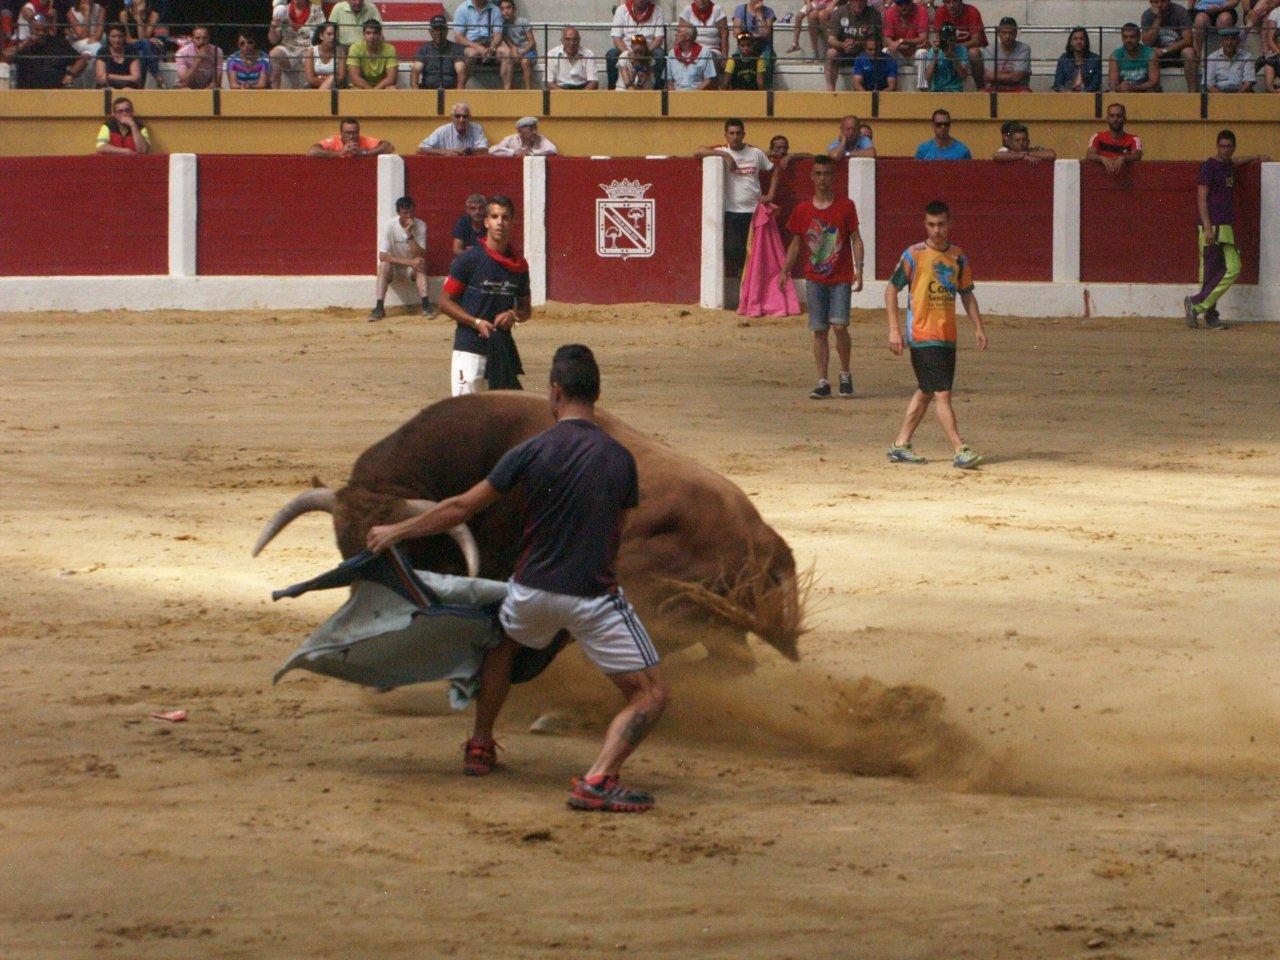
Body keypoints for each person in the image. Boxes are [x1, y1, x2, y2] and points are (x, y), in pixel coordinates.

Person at [365, 345, 667, 814]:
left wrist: (395, 531)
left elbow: (461, 508)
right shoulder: (620, 459)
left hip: (531, 592)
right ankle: (598, 778)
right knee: (650, 694)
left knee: (502, 646)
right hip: (591, 598)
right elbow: (618, 531)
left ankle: (481, 744)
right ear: (596, 394)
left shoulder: (531, 451)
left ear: (555, 392)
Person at [885, 200, 987, 470]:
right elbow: (891, 290)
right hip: (922, 334)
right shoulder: (914, 254)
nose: (936, 230)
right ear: (925, 224)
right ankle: (959, 448)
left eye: (941, 224)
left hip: (946, 335)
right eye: (931, 225)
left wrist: (978, 325)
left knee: (927, 390)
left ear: (949, 223)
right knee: (942, 393)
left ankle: (900, 444)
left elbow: (967, 294)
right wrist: (895, 329)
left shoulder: (958, 256)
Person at [781, 155, 864, 400]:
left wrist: (859, 267)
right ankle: (823, 380)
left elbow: (855, 239)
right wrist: (785, 270)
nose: (822, 179)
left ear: (833, 177)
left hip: (840, 277)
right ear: (812, 177)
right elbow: (796, 244)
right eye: (818, 174)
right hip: (815, 278)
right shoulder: (803, 209)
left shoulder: (846, 206)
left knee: (839, 326)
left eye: (827, 174)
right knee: (819, 330)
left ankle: (845, 373)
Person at [436, 194, 531, 395]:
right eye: (495, 217)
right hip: (469, 348)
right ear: (486, 222)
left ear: (512, 222)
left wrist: (512, 315)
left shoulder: (520, 266)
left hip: (501, 351)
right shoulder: (469, 260)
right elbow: (444, 302)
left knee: (499, 420)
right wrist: (475, 322)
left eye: (505, 218)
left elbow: (525, 308)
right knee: (465, 418)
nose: (500, 223)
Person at [1184, 130, 1269, 329]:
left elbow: (1237, 161)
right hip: (1212, 226)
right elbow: (1201, 197)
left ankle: (1200, 307)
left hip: (1224, 226)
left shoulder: (1228, 165)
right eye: (1222, 146)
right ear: (1216, 146)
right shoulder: (1209, 167)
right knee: (1220, 271)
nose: (1225, 150)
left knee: (1220, 271)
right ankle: (1205, 310)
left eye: (1229, 146)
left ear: (1233, 147)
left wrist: (1255, 157)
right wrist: (1206, 227)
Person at [694, 119, 776, 304]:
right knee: (733, 249)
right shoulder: (724, 151)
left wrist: (770, 194)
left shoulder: (755, 153)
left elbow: (774, 169)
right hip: (732, 211)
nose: (735, 137)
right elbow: (697, 151)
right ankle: (744, 283)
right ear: (725, 135)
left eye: (738, 133)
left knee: (756, 252)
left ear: (744, 134)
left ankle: (753, 292)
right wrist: (725, 156)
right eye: (731, 133)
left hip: (755, 212)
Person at [370, 196, 433, 322]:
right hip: (395, 267)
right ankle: (379, 307)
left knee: (421, 262)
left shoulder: (420, 225)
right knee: (383, 265)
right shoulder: (390, 226)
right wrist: (409, 262)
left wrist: (409, 235)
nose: (409, 216)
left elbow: (421, 254)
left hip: (412, 268)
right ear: (398, 213)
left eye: (411, 212)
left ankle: (426, 305)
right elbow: (382, 256)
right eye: (405, 213)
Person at [607, 0, 667, 91]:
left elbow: (659, 38)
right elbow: (616, 38)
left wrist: (643, 53)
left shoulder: (657, 11)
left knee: (660, 55)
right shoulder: (621, 10)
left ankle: (658, 92)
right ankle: (611, 90)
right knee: (611, 54)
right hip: (626, 49)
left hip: (648, 50)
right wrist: (628, 54)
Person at [1140, 0, 1198, 92]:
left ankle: (1193, 93)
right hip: (1156, 56)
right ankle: (1153, 92)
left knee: (1189, 52)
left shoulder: (1180, 11)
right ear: (1150, 2)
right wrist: (1157, 19)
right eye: (1155, 2)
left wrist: (1165, 50)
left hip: (1178, 53)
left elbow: (1188, 40)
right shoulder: (1147, 15)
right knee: (1146, 54)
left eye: (1163, 1)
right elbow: (1147, 42)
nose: (1159, 4)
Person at [824, 0, 881, 91]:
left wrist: (857, 43)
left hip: (864, 52)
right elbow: (831, 39)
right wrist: (843, 45)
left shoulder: (874, 14)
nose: (858, 3)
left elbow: (876, 41)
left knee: (875, 53)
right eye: (855, 1)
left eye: (861, 1)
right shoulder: (839, 12)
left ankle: (868, 91)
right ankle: (831, 92)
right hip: (844, 52)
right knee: (831, 53)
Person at [14, 13, 84, 87]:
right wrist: (24, 44)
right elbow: (5, 57)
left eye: (44, 30)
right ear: (30, 29)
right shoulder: (24, 47)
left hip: (55, 91)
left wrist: (71, 74)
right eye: (37, 30)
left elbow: (81, 60)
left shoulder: (59, 44)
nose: (41, 33)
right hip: (27, 92)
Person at [453, 0, 510, 88]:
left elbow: (498, 35)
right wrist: (478, 47)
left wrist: (492, 48)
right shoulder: (462, 9)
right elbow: (458, 37)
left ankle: (508, 91)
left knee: (507, 52)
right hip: (470, 45)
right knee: (473, 54)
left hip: (489, 44)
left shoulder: (495, 10)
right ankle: (461, 87)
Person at [268, 0, 324, 89]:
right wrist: (273, 26)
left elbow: (322, 33)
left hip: (309, 48)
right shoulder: (283, 10)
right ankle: (276, 94)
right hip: (289, 47)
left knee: (312, 55)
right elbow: (273, 40)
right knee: (274, 54)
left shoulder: (316, 9)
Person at [934, 0, 987, 87]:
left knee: (974, 53)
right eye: (947, 2)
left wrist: (956, 48)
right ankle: (941, 87)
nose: (952, 5)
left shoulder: (972, 11)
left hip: (971, 48)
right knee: (937, 52)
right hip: (951, 47)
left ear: (961, 1)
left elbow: (976, 41)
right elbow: (940, 38)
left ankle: (980, 87)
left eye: (955, 1)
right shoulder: (940, 12)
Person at [1086, 102, 1143, 174]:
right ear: (1107, 119)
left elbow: (1138, 155)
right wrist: (1102, 158)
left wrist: (1123, 158)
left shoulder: (1134, 139)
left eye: (1119, 116)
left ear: (1125, 119)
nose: (1115, 119)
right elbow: (1089, 155)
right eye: (1112, 116)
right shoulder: (1097, 137)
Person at [883, 0, 928, 89]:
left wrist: (902, 41)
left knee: (923, 52)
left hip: (914, 53)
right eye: (900, 3)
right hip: (900, 53)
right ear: (896, 3)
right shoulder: (890, 12)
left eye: (906, 3)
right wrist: (899, 45)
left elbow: (923, 38)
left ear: (911, 2)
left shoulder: (921, 10)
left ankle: (922, 87)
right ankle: (887, 87)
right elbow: (887, 39)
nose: (903, 6)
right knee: (885, 51)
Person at [413, 14, 466, 89]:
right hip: (427, 90)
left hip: (450, 90)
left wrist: (459, 93)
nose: (439, 33)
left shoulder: (456, 48)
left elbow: (461, 70)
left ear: (447, 31)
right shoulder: (424, 48)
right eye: (436, 29)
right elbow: (416, 69)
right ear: (430, 31)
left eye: (442, 29)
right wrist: (415, 89)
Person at [118, 0, 163, 88]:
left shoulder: (154, 15)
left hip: (148, 49)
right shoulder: (124, 14)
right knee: (144, 45)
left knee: (142, 53)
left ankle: (139, 86)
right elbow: (127, 40)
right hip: (131, 46)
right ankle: (157, 75)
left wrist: (139, 18)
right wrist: (146, 41)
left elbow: (143, 38)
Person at [417, 102, 489, 155]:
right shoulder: (442, 131)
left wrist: (467, 150)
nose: (461, 120)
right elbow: (421, 149)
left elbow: (484, 150)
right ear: (451, 117)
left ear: (470, 118)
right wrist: (445, 152)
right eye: (457, 116)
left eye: (465, 116)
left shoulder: (476, 128)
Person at [307, 117, 394, 158]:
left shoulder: (364, 140)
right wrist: (340, 153)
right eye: (347, 133)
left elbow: (389, 147)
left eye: (354, 133)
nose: (351, 136)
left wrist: (364, 153)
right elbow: (312, 152)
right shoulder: (334, 140)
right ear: (341, 133)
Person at [1109, 21, 1159, 92]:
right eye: (1125, 37)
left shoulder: (1150, 54)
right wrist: (1119, 88)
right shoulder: (1115, 55)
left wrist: (1135, 87)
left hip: (1145, 93)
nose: (1128, 40)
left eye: (1132, 37)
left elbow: (1154, 82)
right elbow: (1112, 84)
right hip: (1124, 93)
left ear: (1139, 38)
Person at [346, 20, 397, 89]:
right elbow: (354, 78)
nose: (372, 36)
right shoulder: (355, 48)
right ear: (363, 34)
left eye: (375, 33)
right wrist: (370, 91)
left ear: (380, 35)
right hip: (361, 86)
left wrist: (374, 91)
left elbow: (391, 78)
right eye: (368, 33)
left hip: (382, 87)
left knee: (392, 89)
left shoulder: (390, 49)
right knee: (355, 91)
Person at [985, 16, 1030, 91]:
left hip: (1018, 87)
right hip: (995, 87)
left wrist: (996, 75)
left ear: (1016, 34)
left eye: (1010, 33)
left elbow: (1017, 77)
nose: (1007, 36)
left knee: (1025, 93)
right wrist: (1010, 75)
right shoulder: (989, 49)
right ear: (998, 33)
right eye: (1004, 32)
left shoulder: (1024, 49)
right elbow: (989, 75)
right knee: (981, 95)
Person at [667, 22, 718, 90]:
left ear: (688, 37)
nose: (675, 34)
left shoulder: (704, 52)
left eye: (679, 32)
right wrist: (674, 96)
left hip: (697, 96)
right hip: (676, 96)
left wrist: (692, 96)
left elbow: (708, 80)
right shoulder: (671, 53)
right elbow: (669, 80)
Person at [924, 22, 972, 92]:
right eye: (945, 40)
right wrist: (935, 56)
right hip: (938, 90)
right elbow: (927, 77)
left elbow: (963, 76)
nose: (948, 43)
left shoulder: (962, 50)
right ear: (940, 39)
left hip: (955, 91)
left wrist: (954, 58)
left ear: (955, 38)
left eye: (951, 40)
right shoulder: (935, 50)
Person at [733, 0, 775, 78]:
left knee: (766, 60)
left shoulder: (769, 11)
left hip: (763, 47)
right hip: (746, 45)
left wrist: (759, 14)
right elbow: (737, 33)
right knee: (736, 60)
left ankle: (767, 88)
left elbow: (766, 34)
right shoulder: (740, 9)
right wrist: (754, 36)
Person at [1052, 26, 1102, 92]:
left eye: (1081, 39)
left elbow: (1095, 84)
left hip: (1088, 97)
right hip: (1066, 97)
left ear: (1086, 42)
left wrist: (1082, 93)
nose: (1078, 41)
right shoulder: (1064, 59)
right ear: (1070, 42)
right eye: (1075, 39)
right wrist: (1066, 92)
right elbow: (1057, 84)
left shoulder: (1095, 59)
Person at [498, 0, 536, 89]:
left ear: (514, 9)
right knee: (507, 61)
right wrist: (514, 49)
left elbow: (532, 42)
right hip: (515, 51)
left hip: (528, 51)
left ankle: (528, 89)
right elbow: (509, 42)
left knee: (524, 61)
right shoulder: (503, 26)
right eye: (502, 9)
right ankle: (511, 88)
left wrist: (522, 52)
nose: (506, 11)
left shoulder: (523, 21)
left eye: (508, 7)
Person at [1204, 27, 1255, 91]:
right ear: (1221, 42)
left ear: (1238, 41)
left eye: (1233, 39)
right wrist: (1223, 98)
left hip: (1241, 93)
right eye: (1226, 39)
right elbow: (1209, 84)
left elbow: (1249, 82)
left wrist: (1236, 97)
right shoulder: (1212, 58)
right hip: (1219, 93)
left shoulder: (1246, 57)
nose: (1229, 42)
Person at [174, 24, 223, 89]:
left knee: (219, 89)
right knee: (181, 88)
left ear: (209, 38)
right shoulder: (182, 53)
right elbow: (183, 80)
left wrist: (202, 94)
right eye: (198, 38)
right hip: (186, 87)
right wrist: (198, 59)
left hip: (207, 88)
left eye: (204, 38)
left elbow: (217, 81)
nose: (201, 41)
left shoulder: (217, 51)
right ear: (193, 39)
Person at [94, 23, 141, 88]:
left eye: (120, 36)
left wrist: (110, 76)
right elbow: (101, 78)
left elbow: (136, 77)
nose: (117, 40)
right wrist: (126, 78)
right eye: (113, 36)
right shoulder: (103, 51)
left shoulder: (131, 51)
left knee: (128, 90)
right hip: (108, 85)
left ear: (124, 37)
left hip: (128, 85)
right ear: (108, 37)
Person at [488, 115, 558, 156]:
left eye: (535, 129)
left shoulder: (540, 138)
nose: (535, 132)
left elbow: (552, 149)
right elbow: (492, 150)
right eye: (531, 129)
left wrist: (531, 153)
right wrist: (515, 152)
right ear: (520, 131)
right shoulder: (511, 139)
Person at [305, 20, 344, 89]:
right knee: (332, 77)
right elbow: (310, 79)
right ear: (321, 36)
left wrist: (322, 78)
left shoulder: (340, 53)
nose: (332, 37)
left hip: (334, 89)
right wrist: (329, 80)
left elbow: (340, 79)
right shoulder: (311, 52)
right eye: (329, 34)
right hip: (313, 88)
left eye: (335, 34)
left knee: (332, 77)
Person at [1260, 3, 1280, 92]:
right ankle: (1272, 91)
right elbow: (1270, 39)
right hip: (1278, 52)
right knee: (1269, 62)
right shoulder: (1276, 12)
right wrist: (1279, 53)